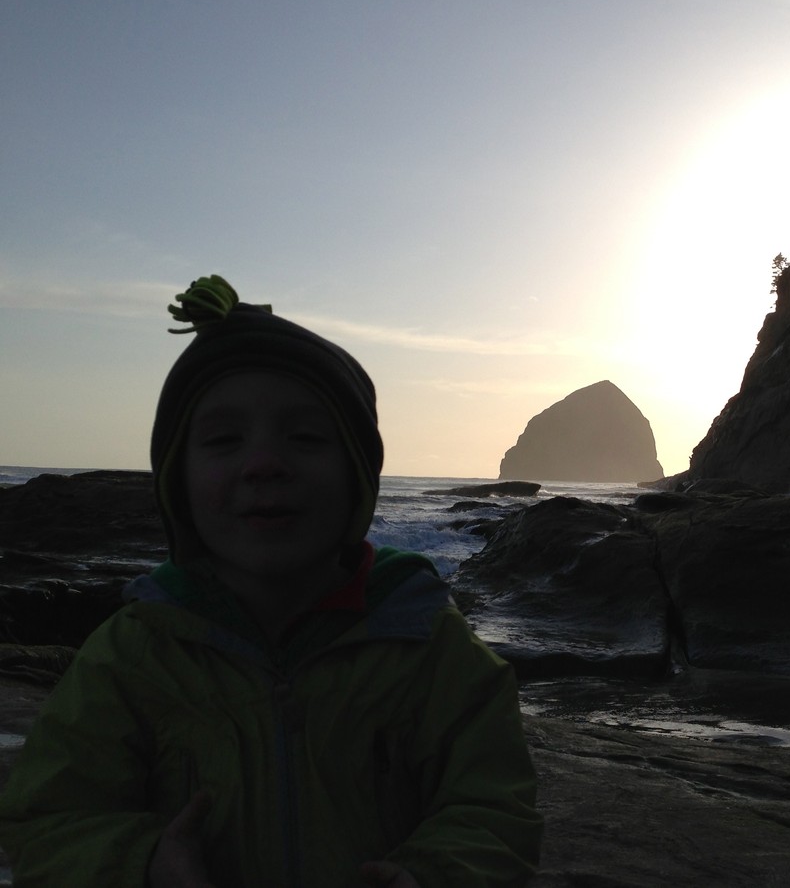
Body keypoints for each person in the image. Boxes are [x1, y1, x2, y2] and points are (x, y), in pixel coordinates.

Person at [0, 276, 542, 886]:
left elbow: (496, 808)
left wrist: (432, 874)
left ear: (359, 479)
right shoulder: (133, 652)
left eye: (306, 437)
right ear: (177, 483)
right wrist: (143, 864)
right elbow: (48, 818)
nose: (264, 464)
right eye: (225, 440)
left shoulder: (426, 640)